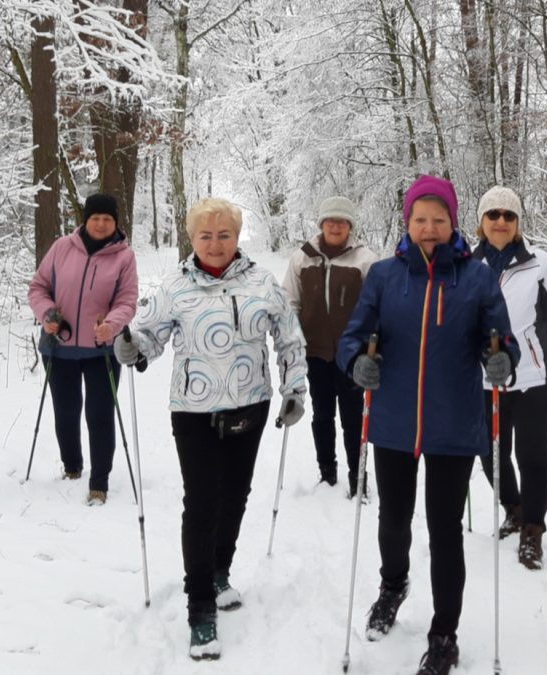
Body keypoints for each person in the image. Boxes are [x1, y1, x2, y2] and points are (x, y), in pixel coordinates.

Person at [337, 175, 519, 675]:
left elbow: (499, 338)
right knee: (393, 521)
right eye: (421, 219)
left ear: (453, 222)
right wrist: (356, 363)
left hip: (454, 425)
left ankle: (444, 633)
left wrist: (501, 359)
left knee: (445, 532)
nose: (430, 229)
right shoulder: (382, 275)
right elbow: (350, 338)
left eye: (439, 220)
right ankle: (393, 586)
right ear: (407, 221)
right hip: (394, 420)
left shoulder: (478, 278)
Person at [113, 197, 308, 661]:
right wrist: (131, 347)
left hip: (251, 404)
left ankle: (219, 570)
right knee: (201, 504)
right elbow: (150, 337)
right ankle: (200, 606)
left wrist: (294, 389)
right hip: (194, 412)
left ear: (237, 238)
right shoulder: (175, 286)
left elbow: (289, 337)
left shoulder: (262, 282)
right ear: (192, 238)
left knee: (236, 495)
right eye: (206, 235)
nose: (215, 244)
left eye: (224, 235)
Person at [470, 186, 547, 570]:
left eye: (509, 215)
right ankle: (515, 508)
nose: (501, 222)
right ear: (481, 222)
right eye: (493, 215)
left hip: (538, 376)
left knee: (532, 455)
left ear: (518, 223)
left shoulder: (539, 263)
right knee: (490, 453)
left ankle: (533, 532)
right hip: (487, 378)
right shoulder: (467, 267)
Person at [27, 193, 138, 506]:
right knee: (66, 411)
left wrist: (112, 324)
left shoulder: (124, 257)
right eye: (95, 218)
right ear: (85, 220)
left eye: (107, 219)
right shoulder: (62, 247)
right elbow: (38, 288)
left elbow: (127, 301)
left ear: (116, 222)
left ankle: (99, 481)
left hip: (101, 348)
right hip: (59, 346)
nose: (101, 224)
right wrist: (47, 313)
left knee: (100, 415)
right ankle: (72, 467)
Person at [282, 195, 378, 496]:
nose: (336, 226)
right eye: (330, 221)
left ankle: (357, 476)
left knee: (353, 418)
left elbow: (376, 306)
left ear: (350, 225)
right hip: (314, 352)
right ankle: (327, 472)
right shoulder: (302, 257)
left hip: (352, 355)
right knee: (322, 415)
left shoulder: (365, 260)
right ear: (321, 224)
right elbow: (290, 301)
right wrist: (293, 337)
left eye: (342, 221)